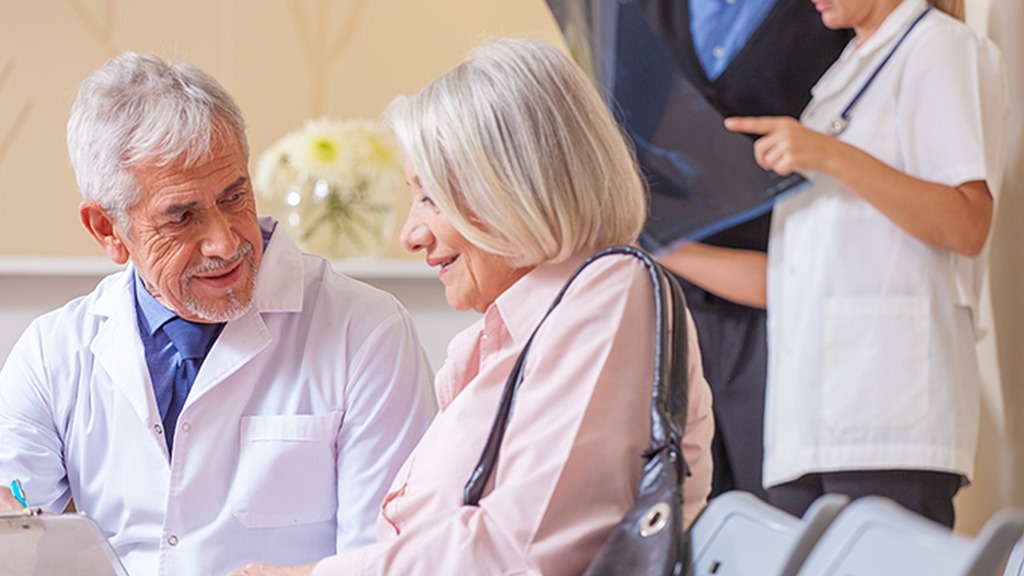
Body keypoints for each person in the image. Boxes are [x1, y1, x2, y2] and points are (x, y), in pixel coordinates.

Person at [230, 38, 715, 576]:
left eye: (430, 197)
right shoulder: (516, 332)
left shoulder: (610, 295)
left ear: (514, 190)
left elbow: (517, 551)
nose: (411, 234)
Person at [0, 52, 435, 575]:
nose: (224, 242)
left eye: (234, 197)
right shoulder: (54, 352)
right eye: (181, 217)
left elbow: (390, 564)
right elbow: (14, 531)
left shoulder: (366, 332)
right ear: (107, 230)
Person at [718, 0, 1007, 527]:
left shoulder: (939, 47)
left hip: (889, 420)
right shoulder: (838, 83)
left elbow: (967, 223)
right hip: (804, 429)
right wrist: (661, 245)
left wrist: (828, 156)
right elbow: (788, 283)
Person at [634, 0, 852, 500]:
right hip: (666, 305)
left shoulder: (835, 13)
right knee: (683, 519)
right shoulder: (637, 13)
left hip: (782, 305)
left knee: (784, 517)